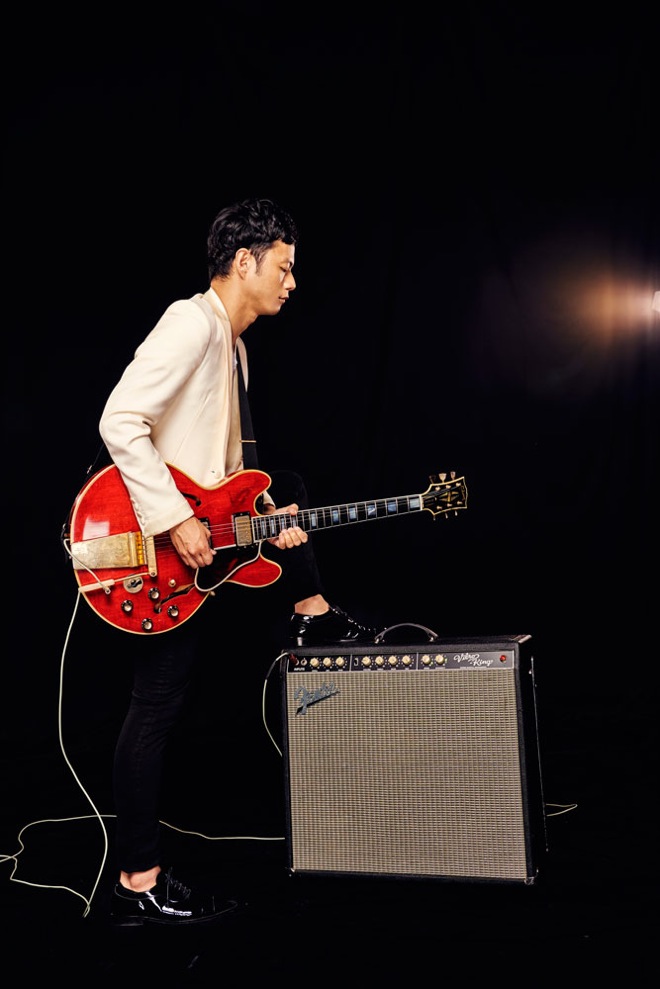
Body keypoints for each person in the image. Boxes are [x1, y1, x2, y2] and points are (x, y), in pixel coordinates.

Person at [96, 197, 376, 926]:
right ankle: (137, 882)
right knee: (155, 704)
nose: (292, 282)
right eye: (284, 266)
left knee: (293, 492)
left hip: (199, 543)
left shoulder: (235, 347)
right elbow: (120, 420)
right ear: (244, 261)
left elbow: (223, 473)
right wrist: (175, 517)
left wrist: (262, 519)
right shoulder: (192, 323)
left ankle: (312, 612)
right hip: (159, 552)